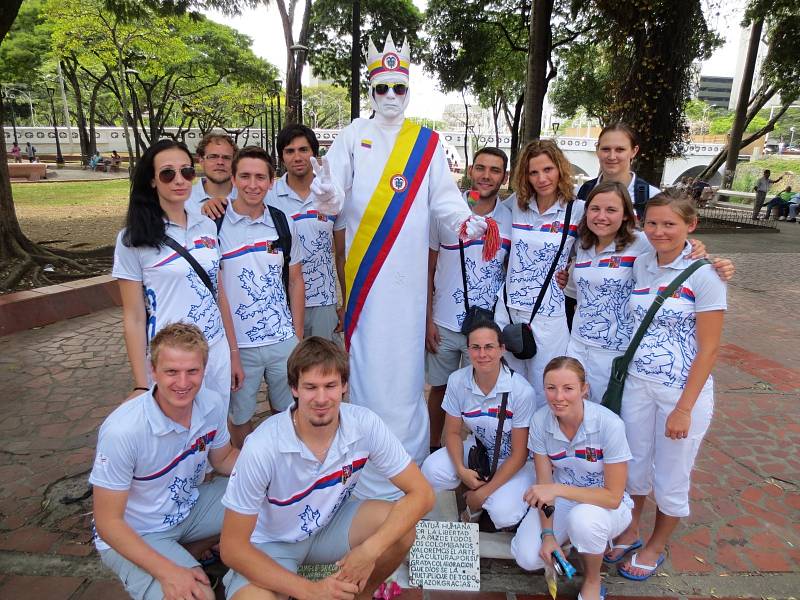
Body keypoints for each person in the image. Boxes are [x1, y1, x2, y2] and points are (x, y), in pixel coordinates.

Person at [321, 35, 489, 499]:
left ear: (409, 90)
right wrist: (326, 195)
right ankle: (365, 458)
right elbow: (332, 189)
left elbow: (444, 200)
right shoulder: (354, 134)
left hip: (411, 281)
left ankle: (407, 460)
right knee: (369, 363)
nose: (391, 96)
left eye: (399, 87)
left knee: (406, 369)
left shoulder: (427, 142)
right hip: (367, 279)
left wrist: (464, 223)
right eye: (382, 88)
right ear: (370, 90)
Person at [219, 337, 435, 599]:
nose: (321, 398)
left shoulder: (364, 423)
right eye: (311, 387)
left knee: (400, 530)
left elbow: (423, 494)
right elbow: (231, 548)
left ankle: (361, 594)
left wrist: (369, 551)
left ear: (344, 386)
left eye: (330, 385)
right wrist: (311, 591)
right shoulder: (262, 446)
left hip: (330, 526)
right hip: (272, 543)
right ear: (294, 388)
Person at [609, 190, 726, 581]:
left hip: (679, 392)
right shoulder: (643, 264)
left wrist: (684, 408)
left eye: (670, 224)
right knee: (636, 467)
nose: (659, 231)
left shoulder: (706, 275)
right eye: (653, 223)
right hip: (638, 386)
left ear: (690, 227)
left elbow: (708, 350)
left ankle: (657, 545)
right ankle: (631, 528)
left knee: (672, 475)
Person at [90, 323, 240, 600]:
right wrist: (167, 572)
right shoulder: (123, 430)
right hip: (137, 531)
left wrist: (275, 471)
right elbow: (107, 522)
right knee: (197, 594)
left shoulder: (212, 403)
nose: (183, 383)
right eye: (172, 371)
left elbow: (224, 459)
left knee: (269, 498)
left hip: (187, 507)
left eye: (192, 371)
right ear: (153, 370)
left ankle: (191, 552)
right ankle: (175, 562)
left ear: (204, 370)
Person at [562, 181, 732, 404]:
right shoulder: (582, 245)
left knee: (608, 420)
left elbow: (674, 244)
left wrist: (703, 252)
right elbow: (576, 292)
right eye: (595, 209)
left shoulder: (642, 242)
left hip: (617, 352)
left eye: (611, 210)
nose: (601, 216)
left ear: (626, 215)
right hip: (577, 346)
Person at [112, 139, 242, 402]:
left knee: (213, 429)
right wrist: (140, 383)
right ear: (152, 180)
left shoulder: (206, 226)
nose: (179, 180)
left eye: (187, 171)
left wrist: (232, 352)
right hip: (171, 358)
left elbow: (219, 295)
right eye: (168, 173)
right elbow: (134, 316)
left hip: (213, 351)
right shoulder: (132, 239)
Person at [511, 357, 633, 600]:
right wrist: (547, 536)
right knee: (527, 556)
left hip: (605, 505)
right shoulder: (539, 421)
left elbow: (613, 497)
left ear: (584, 389)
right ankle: (566, 541)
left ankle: (592, 580)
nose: (558, 397)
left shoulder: (609, 424)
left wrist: (556, 490)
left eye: (568, 389)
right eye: (551, 388)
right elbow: (545, 485)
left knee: (584, 520)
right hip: (564, 497)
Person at [217, 146, 305, 448]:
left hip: (283, 341)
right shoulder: (214, 224)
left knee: (287, 412)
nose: (252, 185)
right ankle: (243, 475)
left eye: (260, 177)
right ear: (233, 178)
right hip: (239, 346)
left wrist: (297, 335)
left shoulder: (282, 222)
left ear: (271, 181)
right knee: (240, 418)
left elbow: (295, 280)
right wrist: (230, 352)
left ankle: (281, 469)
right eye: (244, 176)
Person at [426, 147, 512, 449]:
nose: (486, 176)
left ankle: (480, 452)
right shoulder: (446, 212)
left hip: (487, 327)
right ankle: (435, 448)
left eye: (495, 170)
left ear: (505, 176)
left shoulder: (511, 219)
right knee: (439, 388)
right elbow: (430, 267)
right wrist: (427, 321)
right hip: (445, 321)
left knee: (483, 393)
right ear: (470, 170)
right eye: (480, 168)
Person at [421, 321, 535, 528]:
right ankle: (457, 512)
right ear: (468, 350)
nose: (482, 354)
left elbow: (519, 455)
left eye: (489, 347)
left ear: (502, 349)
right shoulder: (457, 380)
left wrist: (481, 494)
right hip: (480, 452)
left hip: (514, 462)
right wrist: (461, 470)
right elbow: (453, 433)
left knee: (503, 514)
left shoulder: (521, 391)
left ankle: (497, 505)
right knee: (431, 469)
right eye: (475, 347)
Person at [495, 139, 585, 401]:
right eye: (534, 172)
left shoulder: (576, 210)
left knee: (544, 387)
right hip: (509, 311)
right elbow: (483, 216)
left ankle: (538, 442)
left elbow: (598, 248)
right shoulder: (516, 205)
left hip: (548, 317)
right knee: (509, 388)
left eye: (548, 169)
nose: (541, 178)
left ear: (560, 169)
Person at [267, 124, 344, 341]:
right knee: (288, 372)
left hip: (323, 302)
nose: (297, 157)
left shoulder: (332, 195)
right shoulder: (268, 196)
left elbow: (341, 255)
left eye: (303, 150)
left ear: (314, 154)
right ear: (282, 157)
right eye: (289, 151)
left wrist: (346, 302)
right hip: (282, 303)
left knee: (327, 370)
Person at [576, 123, 661, 220]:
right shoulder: (582, 192)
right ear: (597, 150)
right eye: (606, 149)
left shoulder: (652, 197)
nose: (612, 157)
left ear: (634, 151)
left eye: (620, 150)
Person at [187, 133, 239, 216]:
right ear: (201, 161)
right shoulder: (185, 199)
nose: (220, 162)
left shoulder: (248, 196)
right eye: (213, 157)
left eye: (226, 158)